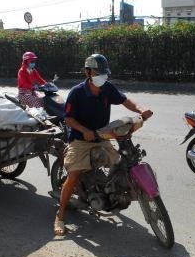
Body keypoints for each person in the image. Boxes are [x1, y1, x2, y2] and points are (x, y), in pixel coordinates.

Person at [54, 53, 153, 235]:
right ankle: (59, 216)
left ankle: (106, 193)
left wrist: (140, 109)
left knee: (118, 163)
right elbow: (68, 119)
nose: (103, 77)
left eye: (104, 73)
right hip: (80, 141)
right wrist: (84, 130)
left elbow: (125, 100)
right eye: (99, 73)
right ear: (88, 72)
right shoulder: (76, 92)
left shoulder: (107, 88)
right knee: (74, 175)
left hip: (102, 136)